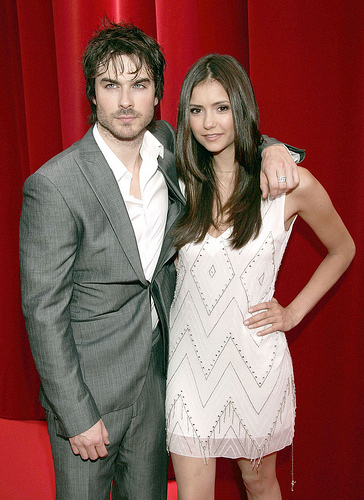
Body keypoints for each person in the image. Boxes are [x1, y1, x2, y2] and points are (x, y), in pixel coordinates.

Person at [19, 19, 303, 500]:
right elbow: (42, 310)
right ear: (92, 94)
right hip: (90, 393)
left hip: (159, 382)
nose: (125, 101)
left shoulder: (173, 151)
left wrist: (278, 150)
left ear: (157, 96)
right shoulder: (55, 185)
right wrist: (76, 412)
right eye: (111, 85)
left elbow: (229, 136)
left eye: (139, 84)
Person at [165, 54, 355, 500]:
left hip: (255, 361)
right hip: (189, 365)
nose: (208, 122)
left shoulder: (289, 184)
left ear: (241, 109)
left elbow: (343, 248)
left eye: (222, 107)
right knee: (192, 493)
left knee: (258, 482)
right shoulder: (178, 181)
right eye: (196, 110)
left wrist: (292, 314)